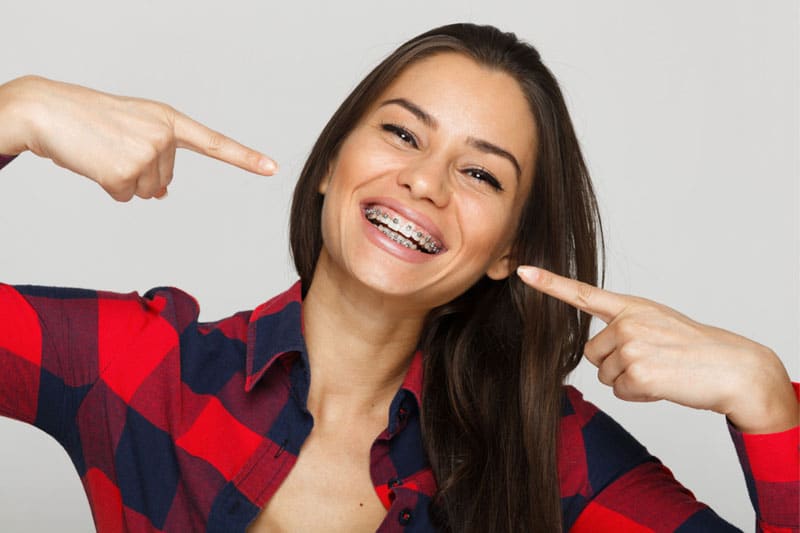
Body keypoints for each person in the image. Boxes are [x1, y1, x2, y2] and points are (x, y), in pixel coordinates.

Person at [0, 23, 797, 533]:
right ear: (332, 161)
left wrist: (765, 399)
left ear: (501, 252)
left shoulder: (546, 449)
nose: (425, 181)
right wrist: (16, 111)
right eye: (401, 133)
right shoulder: (143, 366)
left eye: (481, 175)